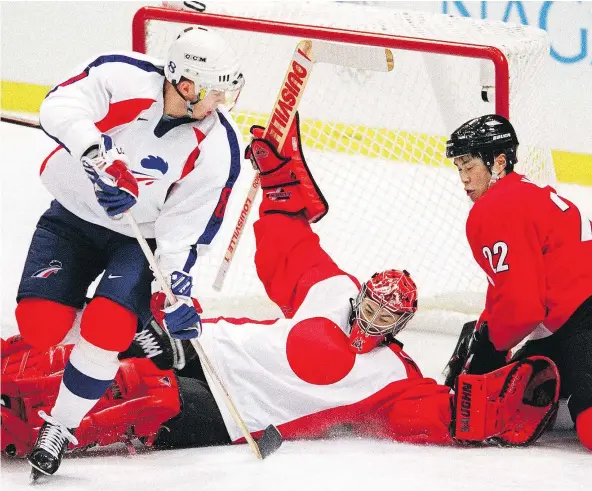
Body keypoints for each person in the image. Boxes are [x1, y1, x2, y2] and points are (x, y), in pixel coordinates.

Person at [2, 113, 559, 468]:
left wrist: (488, 405)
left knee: (138, 392)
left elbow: (435, 416)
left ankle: (28, 429)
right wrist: (280, 186)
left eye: (385, 319)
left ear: (399, 329)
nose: (370, 319)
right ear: (359, 292)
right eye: (369, 305)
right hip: (205, 349)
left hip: (223, 410)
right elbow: (286, 244)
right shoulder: (331, 290)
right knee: (87, 346)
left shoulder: (394, 377)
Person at [14, 26, 245, 478]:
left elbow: (186, 226)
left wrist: (176, 289)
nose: (219, 101)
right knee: (40, 327)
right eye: (213, 90)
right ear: (184, 83)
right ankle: (130, 329)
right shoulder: (122, 76)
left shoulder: (218, 145)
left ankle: (60, 426)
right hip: (74, 216)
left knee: (108, 325)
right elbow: (58, 105)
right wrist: (97, 157)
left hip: (142, 238)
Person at [443, 114, 592, 450]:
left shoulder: (494, 208)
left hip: (583, 313)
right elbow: (508, 285)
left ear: (498, 163)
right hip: (572, 316)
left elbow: (524, 307)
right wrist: (487, 328)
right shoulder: (520, 192)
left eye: (470, 167)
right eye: (459, 168)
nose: (464, 178)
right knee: (526, 393)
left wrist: (490, 346)